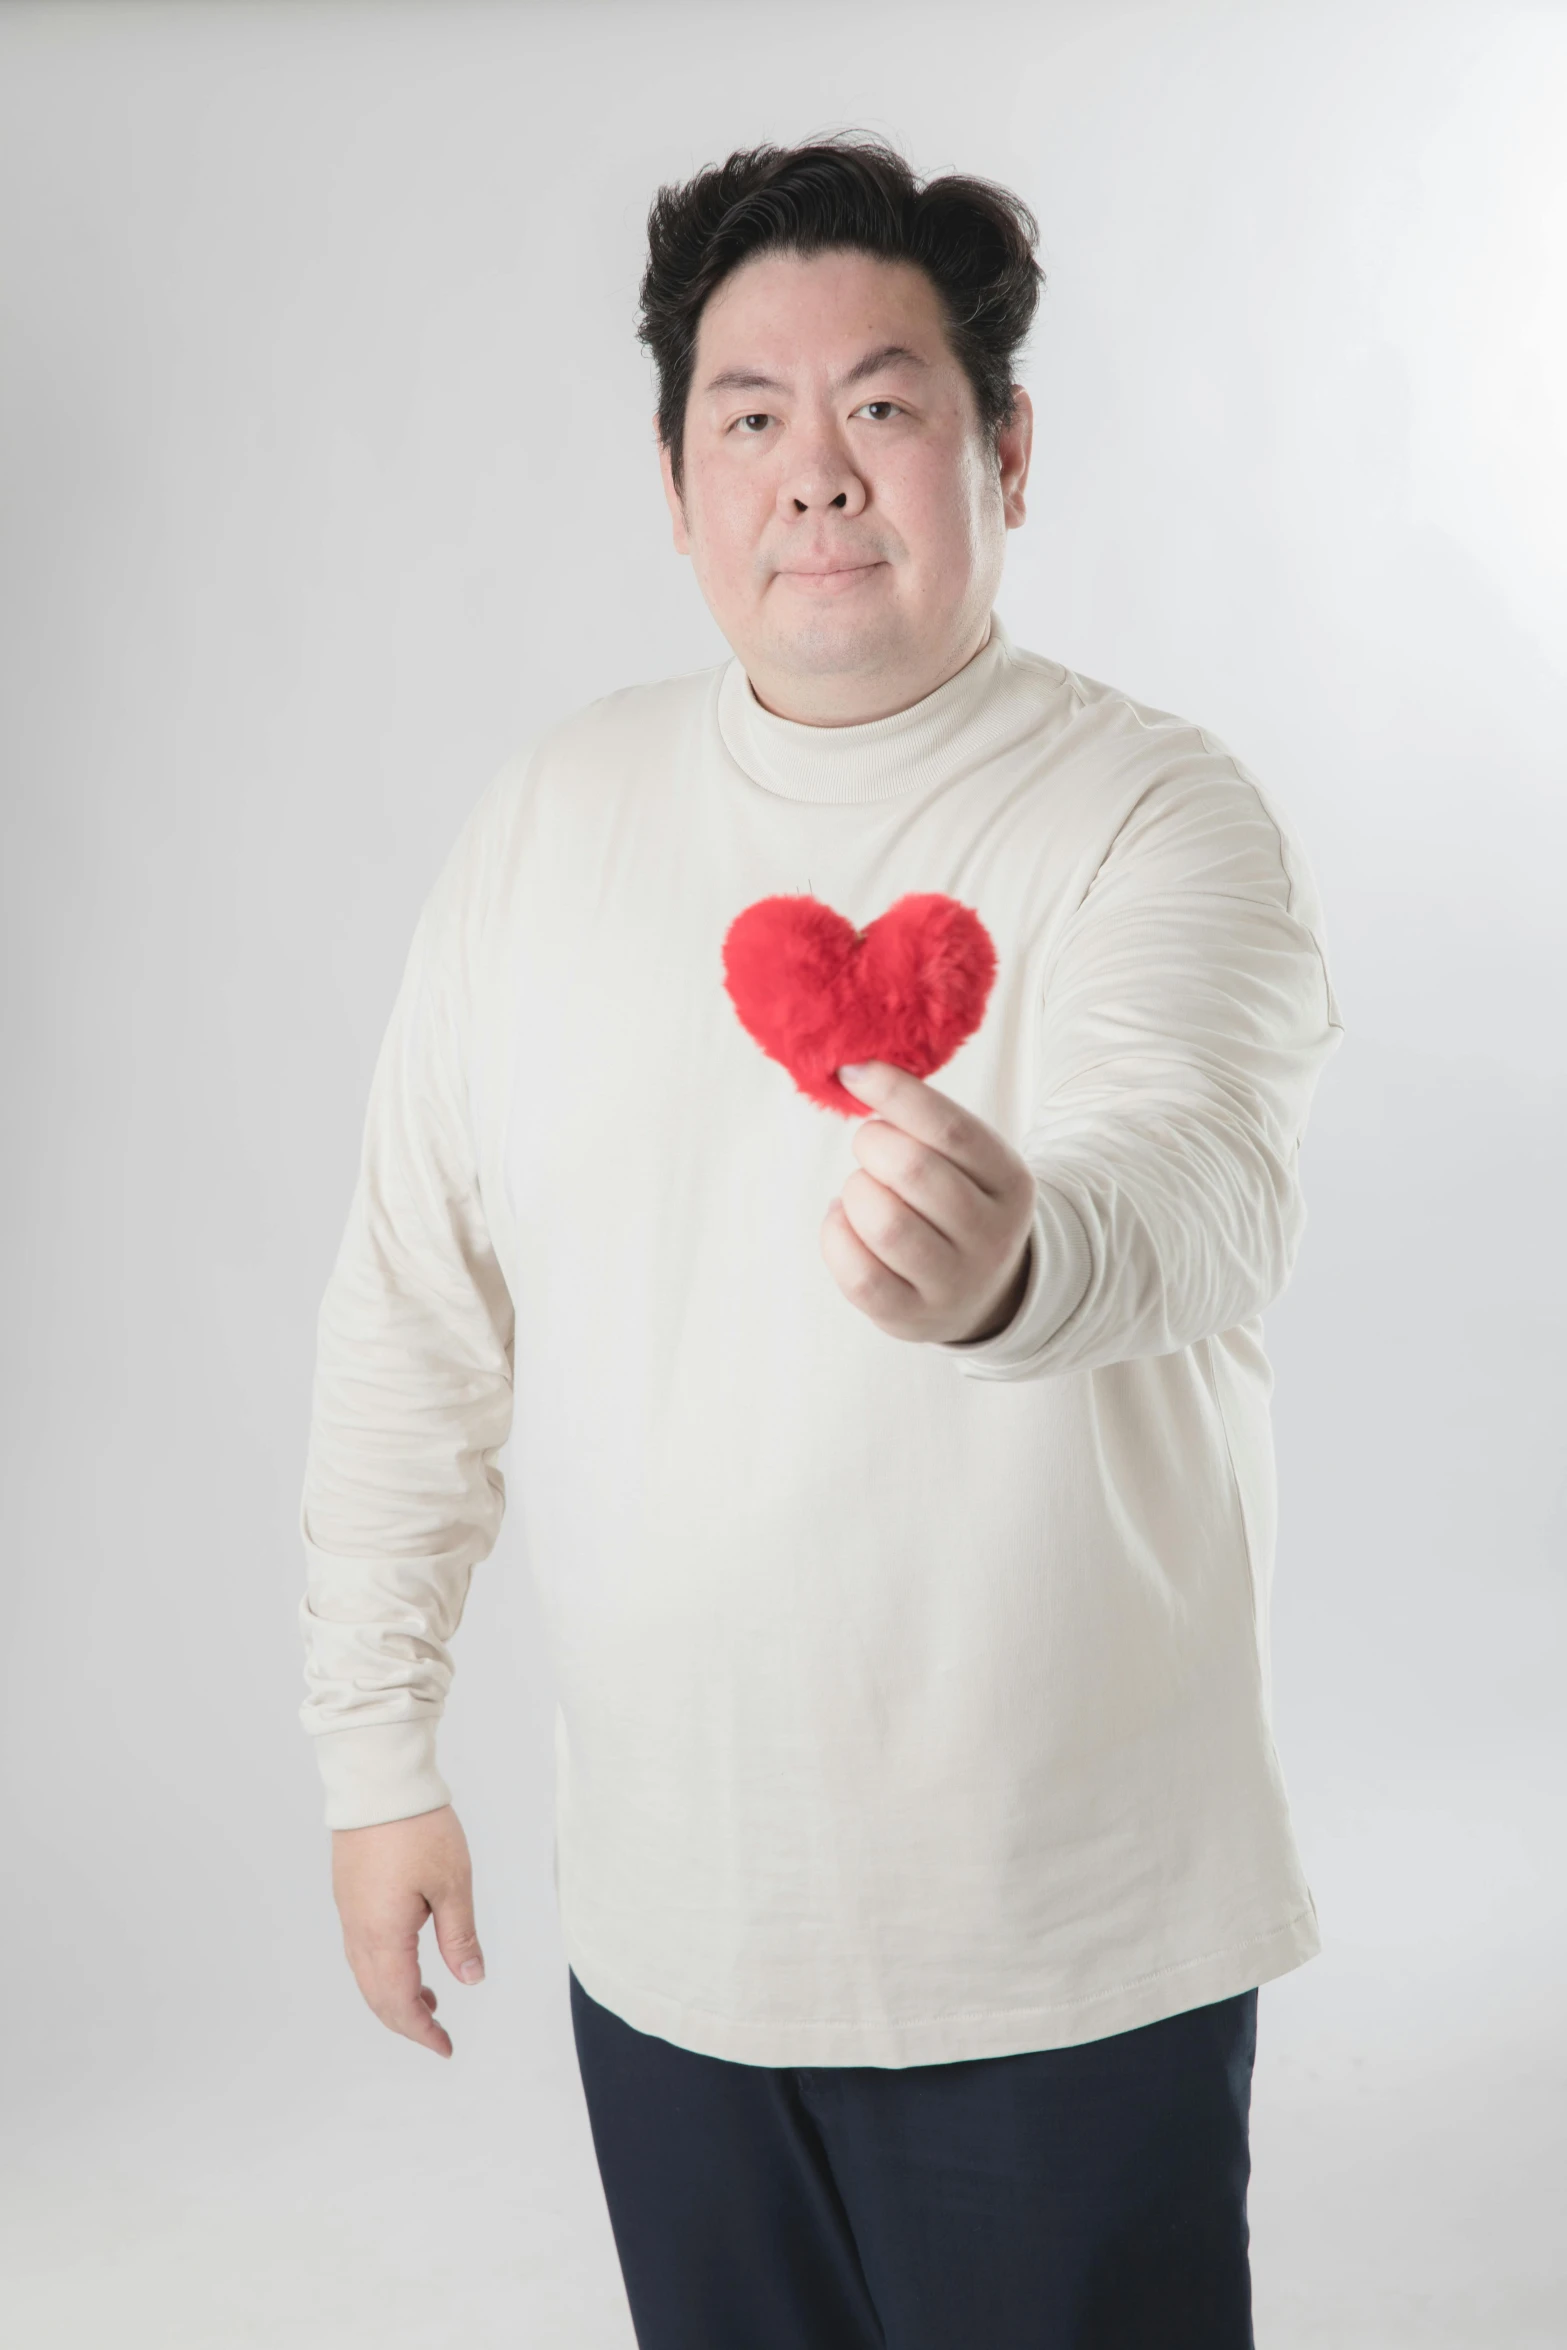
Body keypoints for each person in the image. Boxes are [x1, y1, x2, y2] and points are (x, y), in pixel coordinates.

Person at [299, 135, 1345, 2349]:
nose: (816, 471)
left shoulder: (1156, 811)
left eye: (884, 402)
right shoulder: (547, 824)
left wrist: (1019, 1263)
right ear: (677, 484)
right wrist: (373, 1747)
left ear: (1006, 447)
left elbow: (1209, 1186)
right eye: (748, 416)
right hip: (675, 1949)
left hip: (1068, 1956)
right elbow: (417, 1308)